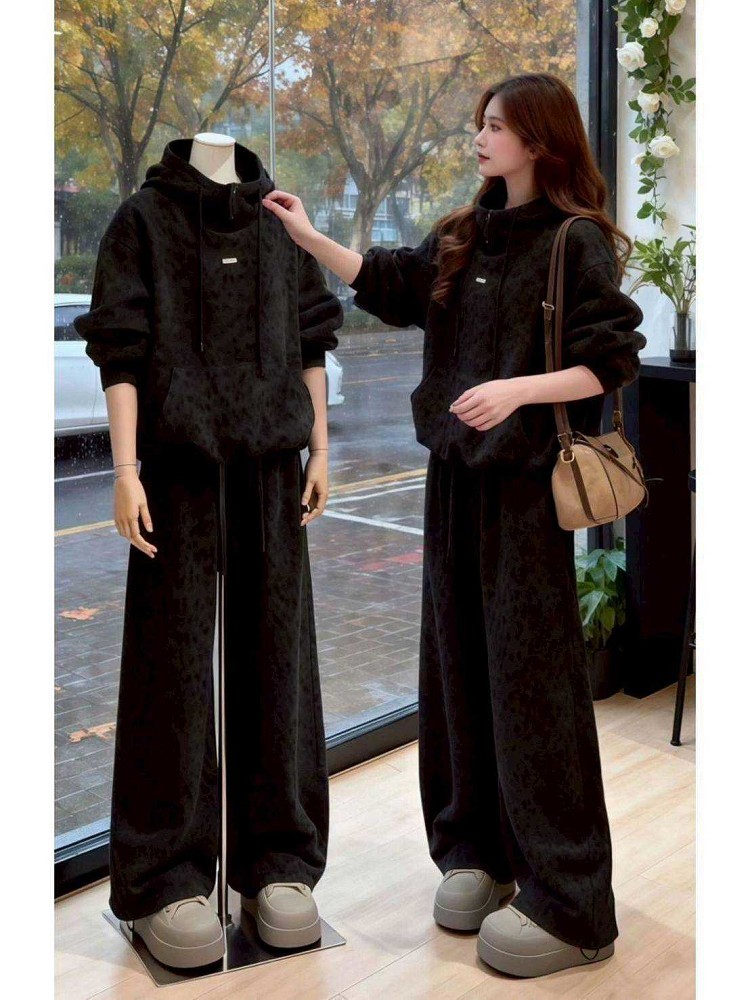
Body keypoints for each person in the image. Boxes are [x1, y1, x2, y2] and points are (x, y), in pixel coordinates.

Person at [261, 72, 647, 979]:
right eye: (481, 123)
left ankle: (573, 903)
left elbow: (610, 360)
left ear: (540, 140)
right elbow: (390, 284)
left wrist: (515, 390)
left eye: (497, 125)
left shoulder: (575, 242)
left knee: (533, 686)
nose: (481, 137)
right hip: (452, 483)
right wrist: (309, 235)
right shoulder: (464, 233)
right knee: (456, 671)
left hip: (526, 492)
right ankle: (475, 851)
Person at [74, 137, 343, 967]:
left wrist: (321, 449)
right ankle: (165, 875)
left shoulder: (280, 224)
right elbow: (119, 349)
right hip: (175, 471)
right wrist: (125, 470)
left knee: (278, 661)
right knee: (172, 667)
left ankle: (278, 863)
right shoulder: (141, 220)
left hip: (273, 469)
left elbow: (311, 341)